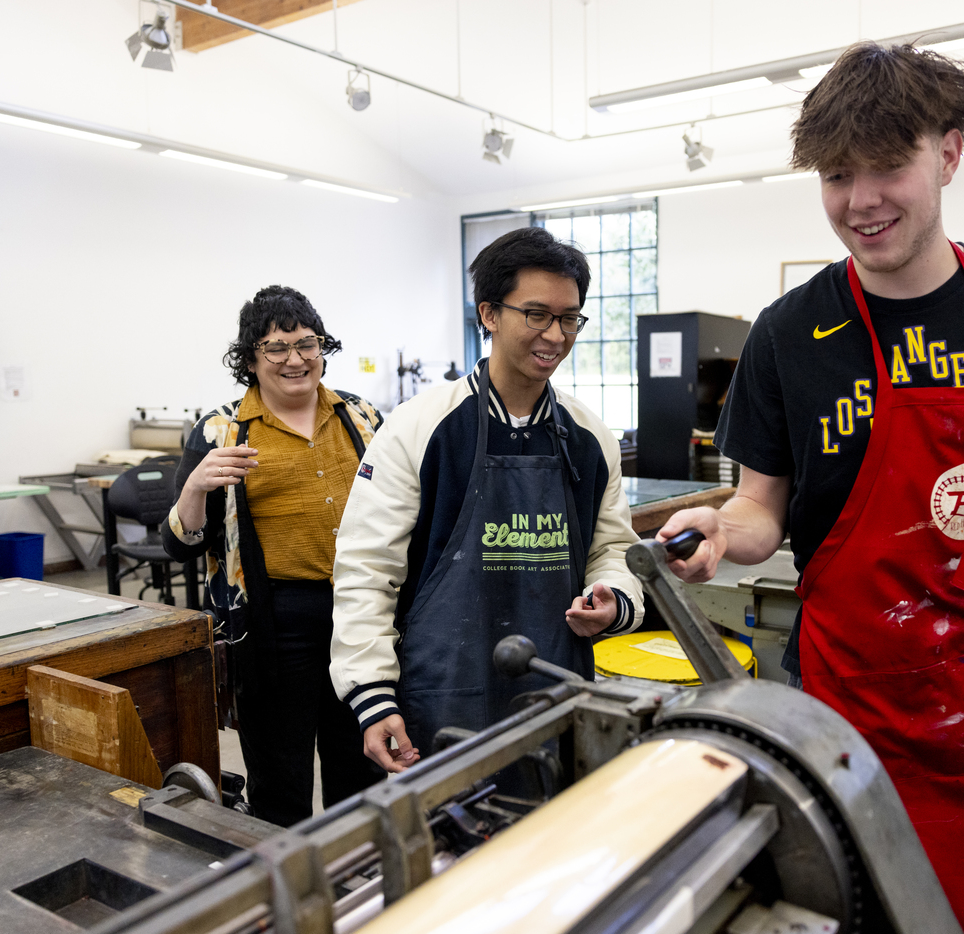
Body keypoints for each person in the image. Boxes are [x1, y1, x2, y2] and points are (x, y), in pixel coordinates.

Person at [657, 43, 964, 933]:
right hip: (854, 708)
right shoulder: (789, 333)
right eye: (836, 175)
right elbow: (760, 507)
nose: (861, 200)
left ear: (949, 154)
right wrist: (723, 531)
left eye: (887, 166)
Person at [330, 226, 643, 773]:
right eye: (537, 314)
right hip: (444, 693)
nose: (556, 335)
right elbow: (367, 569)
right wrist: (370, 693)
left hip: (557, 686)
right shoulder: (419, 427)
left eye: (570, 318)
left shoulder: (590, 436)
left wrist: (614, 596)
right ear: (489, 314)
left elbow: (612, 548)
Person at [163, 285, 387, 827]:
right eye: (276, 347)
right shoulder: (221, 431)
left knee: (362, 766)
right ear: (250, 358)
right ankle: (283, 874)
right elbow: (180, 545)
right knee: (280, 779)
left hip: (363, 613)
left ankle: (360, 867)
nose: (295, 359)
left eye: (306, 344)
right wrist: (194, 488)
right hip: (273, 625)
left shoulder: (361, 418)